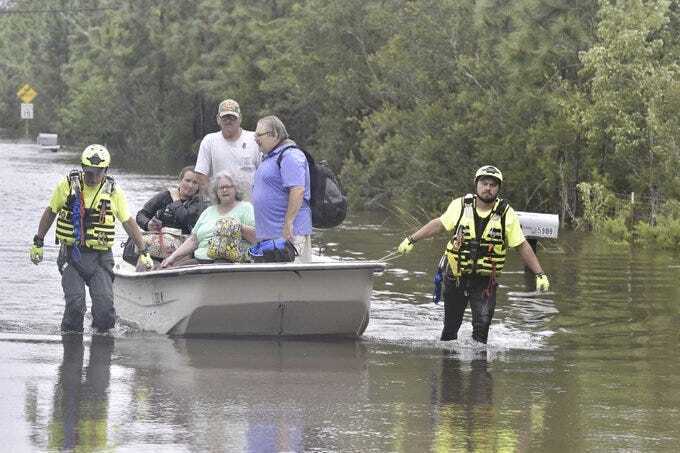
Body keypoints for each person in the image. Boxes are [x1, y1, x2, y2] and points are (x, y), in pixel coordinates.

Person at [397, 165, 550, 344]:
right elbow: (439, 224)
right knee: (450, 329)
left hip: (485, 282)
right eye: (484, 183)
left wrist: (540, 274)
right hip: (456, 276)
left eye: (493, 185)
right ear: (476, 184)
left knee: (482, 330)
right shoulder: (459, 206)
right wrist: (412, 239)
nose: (488, 188)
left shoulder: (507, 214)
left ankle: (480, 370)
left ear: (498, 188)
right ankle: (449, 370)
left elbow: (522, 245)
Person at [29, 144, 153, 333]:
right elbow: (50, 212)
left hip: (101, 258)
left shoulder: (114, 192)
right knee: (75, 304)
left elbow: (128, 222)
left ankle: (101, 352)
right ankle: (70, 349)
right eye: (89, 172)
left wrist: (143, 251)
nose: (93, 177)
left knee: (104, 311)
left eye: (98, 172)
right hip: (72, 255)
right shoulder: (67, 185)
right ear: (82, 168)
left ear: (106, 170)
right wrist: (38, 241)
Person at [161, 171, 256, 267]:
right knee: (172, 270)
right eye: (221, 188)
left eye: (228, 187)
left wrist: (238, 227)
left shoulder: (246, 208)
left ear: (236, 188)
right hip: (200, 260)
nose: (224, 190)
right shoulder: (208, 211)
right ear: (216, 192)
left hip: (230, 262)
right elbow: (193, 240)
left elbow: (256, 239)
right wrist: (172, 257)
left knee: (217, 267)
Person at [251, 115, 313, 262]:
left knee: (293, 281)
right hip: (270, 236)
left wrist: (288, 223)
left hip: (290, 234)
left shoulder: (290, 155)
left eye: (259, 135)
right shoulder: (269, 157)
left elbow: (297, 190)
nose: (255, 139)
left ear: (274, 135)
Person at [194, 98, 261, 199]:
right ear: (218, 119)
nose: (229, 121)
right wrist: (214, 198)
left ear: (240, 119)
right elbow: (200, 174)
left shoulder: (254, 139)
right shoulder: (209, 140)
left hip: (250, 204)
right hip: (221, 205)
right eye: (225, 118)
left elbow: (264, 173)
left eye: (233, 117)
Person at [136, 166, 207, 234]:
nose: (190, 185)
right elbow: (141, 214)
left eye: (195, 182)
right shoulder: (165, 196)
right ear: (180, 181)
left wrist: (176, 201)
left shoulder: (200, 203)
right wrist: (147, 224)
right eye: (187, 180)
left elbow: (186, 220)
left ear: (199, 186)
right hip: (159, 238)